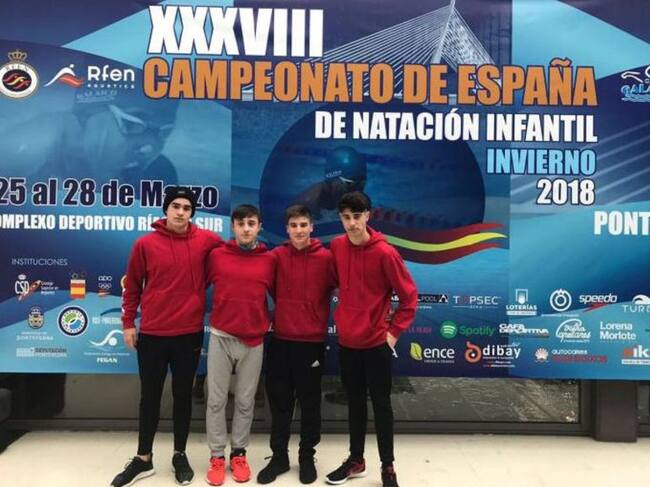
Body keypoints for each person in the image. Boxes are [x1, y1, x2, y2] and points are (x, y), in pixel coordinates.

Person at [111, 186, 223, 487]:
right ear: (166, 209)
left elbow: (230, 257)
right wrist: (128, 323)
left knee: (183, 396)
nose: (181, 212)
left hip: (188, 334)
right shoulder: (145, 244)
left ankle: (179, 454)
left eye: (187, 208)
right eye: (176, 206)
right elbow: (132, 286)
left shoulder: (207, 240)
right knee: (149, 397)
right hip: (153, 333)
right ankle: (143, 458)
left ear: (192, 212)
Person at [326, 191, 417, 487]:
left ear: (368, 215)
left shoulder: (385, 253)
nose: (352, 223)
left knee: (381, 406)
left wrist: (392, 335)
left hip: (377, 345)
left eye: (357, 216)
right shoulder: (337, 246)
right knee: (354, 404)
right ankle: (356, 460)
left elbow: (409, 298)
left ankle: (387, 466)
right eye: (346, 217)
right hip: (348, 343)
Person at [257, 205, 337, 485]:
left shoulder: (327, 259)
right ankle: (279, 457)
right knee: (280, 403)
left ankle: (306, 457)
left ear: (312, 227)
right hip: (281, 340)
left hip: (311, 343)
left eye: (304, 224)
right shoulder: (276, 256)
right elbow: (267, 287)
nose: (299, 230)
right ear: (287, 229)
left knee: (310, 403)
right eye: (294, 225)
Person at [204, 204, 276, 486]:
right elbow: (194, 285)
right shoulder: (217, 256)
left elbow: (283, 295)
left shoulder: (269, 260)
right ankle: (216, 456)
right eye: (241, 223)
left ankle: (239, 453)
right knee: (216, 401)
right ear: (233, 227)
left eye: (251, 223)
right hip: (221, 337)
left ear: (259, 227)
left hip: (253, 341)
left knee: (246, 402)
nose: (246, 228)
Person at [294, 146, 366, 220]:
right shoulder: (304, 207)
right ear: (332, 179)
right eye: (350, 184)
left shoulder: (343, 198)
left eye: (361, 184)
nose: (357, 192)